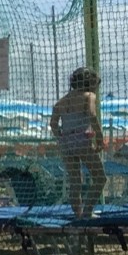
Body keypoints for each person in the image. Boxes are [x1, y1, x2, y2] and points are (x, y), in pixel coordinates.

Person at [50, 67, 105, 217]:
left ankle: (78, 213)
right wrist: (99, 138)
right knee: (100, 178)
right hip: (81, 140)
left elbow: (53, 124)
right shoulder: (89, 96)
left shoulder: (61, 101)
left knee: (75, 181)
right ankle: (87, 211)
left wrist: (61, 137)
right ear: (90, 83)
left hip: (66, 143)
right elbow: (92, 115)